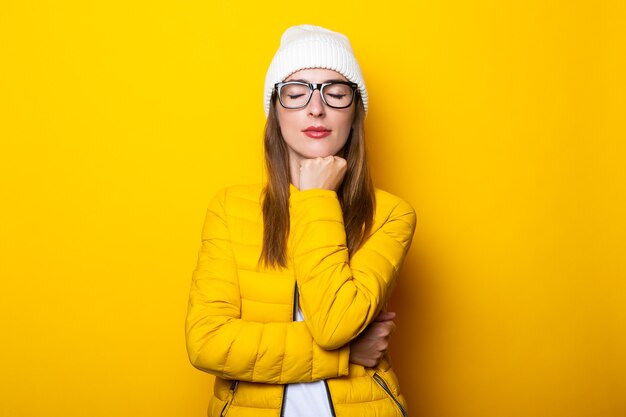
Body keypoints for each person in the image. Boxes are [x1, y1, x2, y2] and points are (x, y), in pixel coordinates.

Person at [185, 24, 416, 417]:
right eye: (295, 93)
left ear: (355, 112)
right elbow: (207, 342)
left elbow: (333, 324)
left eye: (336, 93)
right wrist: (345, 355)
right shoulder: (230, 208)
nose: (316, 108)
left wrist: (317, 198)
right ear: (275, 110)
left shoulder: (391, 214)